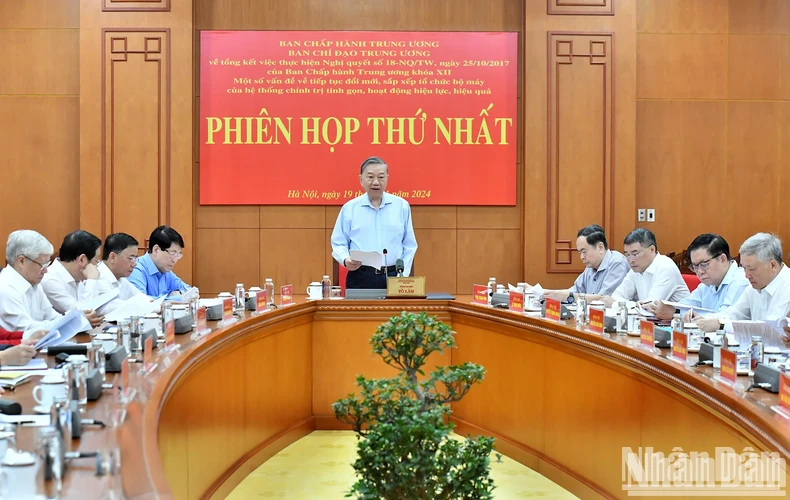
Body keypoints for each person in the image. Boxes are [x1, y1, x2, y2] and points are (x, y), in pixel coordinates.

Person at [330, 156, 418, 289]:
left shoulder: (401, 206)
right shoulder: (349, 208)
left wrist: (403, 275)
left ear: (387, 178)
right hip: (360, 276)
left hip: (394, 276)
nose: (376, 182)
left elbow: (409, 245)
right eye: (370, 177)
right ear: (361, 179)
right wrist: (345, 259)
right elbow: (338, 242)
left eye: (381, 177)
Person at [646, 234, 749, 332]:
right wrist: (659, 308)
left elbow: (724, 318)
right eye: (695, 266)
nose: (700, 271)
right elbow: (685, 305)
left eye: (704, 264)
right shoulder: (706, 285)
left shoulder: (741, 281)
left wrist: (675, 313)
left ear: (722, 259)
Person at [0, 230, 98, 332]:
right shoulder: (6, 288)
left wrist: (77, 321)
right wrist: (74, 321)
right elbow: (25, 330)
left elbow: (53, 317)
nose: (46, 270)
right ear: (22, 261)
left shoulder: (34, 284)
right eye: (42, 264)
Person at [603, 228, 689, 306]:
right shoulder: (636, 269)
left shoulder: (665, 268)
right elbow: (616, 296)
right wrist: (632, 305)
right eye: (627, 255)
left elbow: (650, 307)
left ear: (652, 250)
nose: (631, 260)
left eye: (635, 254)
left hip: (679, 317)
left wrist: (617, 304)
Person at [542, 225, 628, 302]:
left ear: (600, 247)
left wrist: (568, 296)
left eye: (584, 252)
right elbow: (575, 291)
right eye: (580, 253)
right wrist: (545, 293)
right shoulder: (590, 266)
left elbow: (604, 300)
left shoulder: (617, 263)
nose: (582, 257)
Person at [720, 233, 790, 324]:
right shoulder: (753, 286)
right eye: (744, 268)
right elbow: (733, 314)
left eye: (752, 269)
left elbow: (770, 327)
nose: (747, 275)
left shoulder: (787, 286)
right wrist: (709, 320)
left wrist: (721, 324)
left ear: (773, 265)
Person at [40, 231, 107, 325]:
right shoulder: (50, 280)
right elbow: (83, 314)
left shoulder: (77, 277)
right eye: (96, 260)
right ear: (82, 259)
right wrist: (92, 279)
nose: (97, 265)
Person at [129, 226, 191, 297]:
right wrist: (171, 298)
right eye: (172, 254)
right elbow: (140, 300)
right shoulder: (136, 269)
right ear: (156, 250)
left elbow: (188, 290)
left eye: (178, 254)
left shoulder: (166, 271)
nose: (175, 260)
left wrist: (179, 293)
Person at [95, 233, 143, 313]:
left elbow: (140, 298)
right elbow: (111, 307)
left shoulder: (121, 278)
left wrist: (158, 306)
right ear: (113, 257)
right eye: (131, 258)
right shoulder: (98, 276)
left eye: (135, 258)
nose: (135, 264)